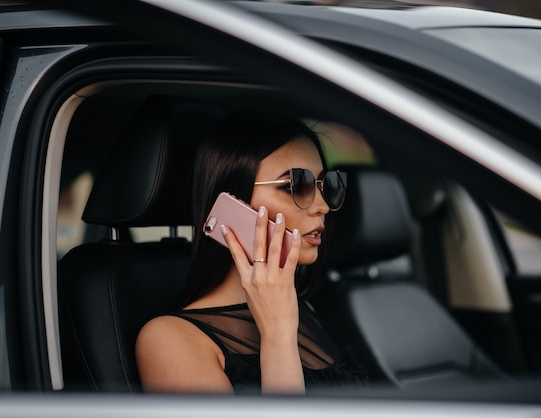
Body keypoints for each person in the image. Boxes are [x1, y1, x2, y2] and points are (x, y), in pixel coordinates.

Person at [135, 109, 368, 394]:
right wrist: (278, 336)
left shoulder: (302, 307)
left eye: (323, 185)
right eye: (295, 185)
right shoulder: (168, 340)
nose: (322, 206)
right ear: (233, 201)